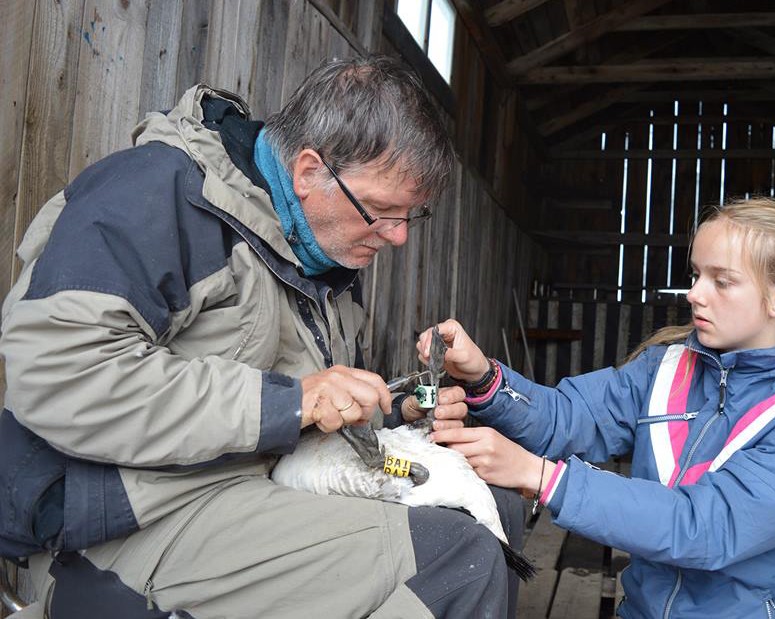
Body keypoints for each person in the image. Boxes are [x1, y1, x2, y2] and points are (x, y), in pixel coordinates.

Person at [0, 55, 523, 618]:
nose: (396, 237)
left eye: (408, 217)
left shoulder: (315, 251)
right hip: (126, 516)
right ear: (307, 171)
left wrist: (392, 414)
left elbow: (303, 401)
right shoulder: (157, 194)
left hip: (249, 486)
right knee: (456, 559)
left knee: (497, 506)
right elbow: (62, 373)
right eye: (380, 212)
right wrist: (291, 402)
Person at [420, 197, 775, 618]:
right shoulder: (667, 367)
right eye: (697, 274)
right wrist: (482, 376)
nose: (696, 294)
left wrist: (543, 477)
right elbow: (566, 416)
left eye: (723, 281)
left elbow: (706, 528)